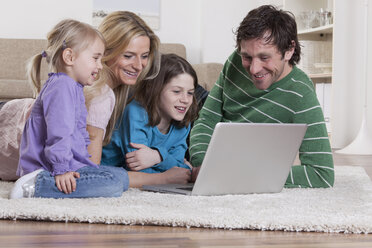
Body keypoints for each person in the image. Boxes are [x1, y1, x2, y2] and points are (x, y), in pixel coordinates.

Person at [1, 11, 191, 186]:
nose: (138, 65)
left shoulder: (122, 90)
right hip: (9, 131)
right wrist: (162, 178)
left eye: (144, 56)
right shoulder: (100, 96)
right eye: (128, 56)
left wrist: (164, 158)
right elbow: (89, 172)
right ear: (104, 52)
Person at [189, 5, 334, 188]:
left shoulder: (300, 93)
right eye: (247, 57)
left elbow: (321, 174)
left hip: (241, 172)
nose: (254, 68)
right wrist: (202, 164)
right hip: (209, 158)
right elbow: (207, 120)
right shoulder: (235, 62)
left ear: (289, 50)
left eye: (264, 57)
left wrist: (246, 174)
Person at [10, 19, 130, 199]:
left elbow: (79, 133)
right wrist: (61, 169)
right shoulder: (61, 87)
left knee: (122, 177)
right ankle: (36, 186)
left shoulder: (74, 87)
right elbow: (59, 132)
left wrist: (85, 166)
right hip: (48, 170)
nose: (99, 66)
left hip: (69, 165)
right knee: (111, 185)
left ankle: (60, 181)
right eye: (95, 58)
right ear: (70, 57)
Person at [101, 53, 199, 173]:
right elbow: (138, 168)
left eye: (190, 93)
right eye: (177, 91)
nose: (185, 100)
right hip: (106, 173)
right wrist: (173, 165)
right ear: (156, 90)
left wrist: (157, 156)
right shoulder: (136, 112)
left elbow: (179, 167)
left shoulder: (183, 120)